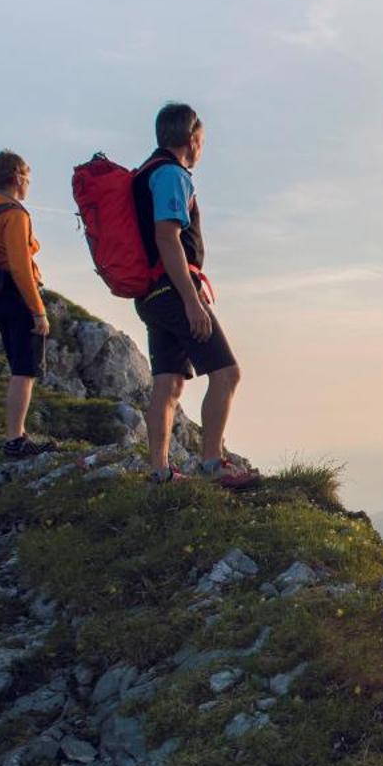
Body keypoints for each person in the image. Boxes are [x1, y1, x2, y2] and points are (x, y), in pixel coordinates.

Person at [132, 102, 258, 487]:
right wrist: (191, 301)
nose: (202, 148)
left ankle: (159, 471)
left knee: (168, 382)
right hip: (173, 290)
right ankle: (212, 464)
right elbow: (167, 237)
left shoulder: (144, 175)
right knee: (226, 373)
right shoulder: (172, 175)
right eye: (201, 140)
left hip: (149, 293)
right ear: (191, 139)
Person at [0, 150, 56, 457]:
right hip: (16, 293)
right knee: (25, 369)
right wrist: (38, 310)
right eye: (28, 177)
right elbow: (20, 266)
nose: (29, 183)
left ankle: (15, 434)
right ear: (18, 177)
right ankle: (15, 438)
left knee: (18, 366)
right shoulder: (14, 214)